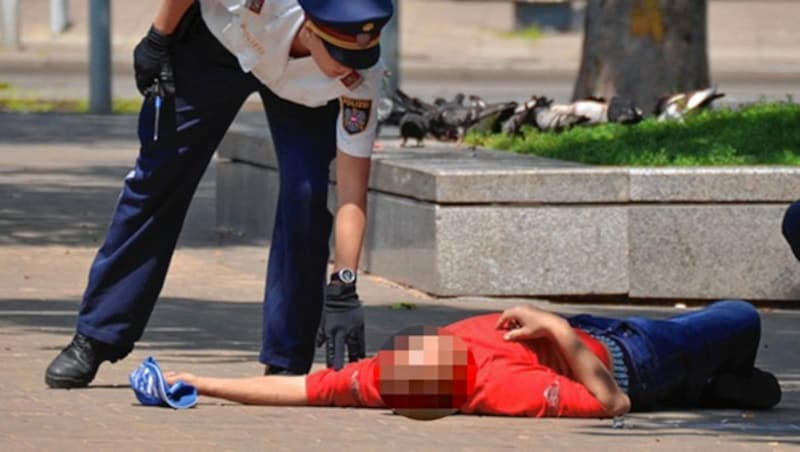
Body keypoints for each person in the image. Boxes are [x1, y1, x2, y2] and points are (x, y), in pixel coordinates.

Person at [45, 0, 393, 388]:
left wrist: (343, 285)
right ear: (311, 30)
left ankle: (286, 361)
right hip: (220, 44)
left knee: (307, 196)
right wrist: (159, 37)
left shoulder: (360, 75)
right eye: (342, 54)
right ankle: (97, 335)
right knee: (159, 176)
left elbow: (351, 191)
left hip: (303, 97)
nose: (351, 67)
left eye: (363, 53)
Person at [159, 300, 782, 418]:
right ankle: (718, 380)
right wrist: (558, 331)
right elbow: (611, 403)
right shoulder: (500, 387)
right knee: (739, 316)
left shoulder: (382, 378)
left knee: (718, 351)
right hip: (631, 363)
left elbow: (298, 389)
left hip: (589, 331)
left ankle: (714, 386)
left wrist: (200, 383)